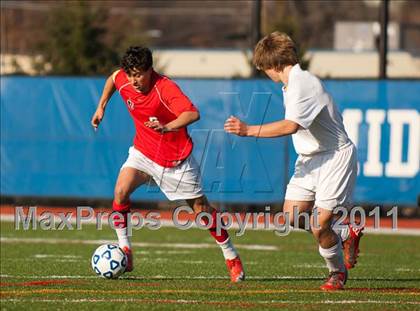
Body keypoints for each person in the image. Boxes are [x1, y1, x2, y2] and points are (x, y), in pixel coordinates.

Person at [91, 46, 244, 282]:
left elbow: (192, 114)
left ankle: (230, 254)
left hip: (175, 160)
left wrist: (167, 126)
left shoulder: (165, 87)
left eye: (139, 74)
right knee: (120, 191)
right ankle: (126, 250)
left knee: (201, 211)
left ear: (150, 70)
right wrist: (101, 106)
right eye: (131, 74)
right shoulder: (124, 79)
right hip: (143, 153)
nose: (134, 80)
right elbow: (113, 78)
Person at [224, 32, 363, 290]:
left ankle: (337, 273)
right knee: (291, 216)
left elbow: (291, 126)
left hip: (334, 158)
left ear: (275, 65)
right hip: (309, 159)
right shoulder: (290, 85)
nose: (266, 73)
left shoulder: (303, 83)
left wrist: (248, 130)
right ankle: (344, 232)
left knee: (319, 225)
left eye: (265, 68)